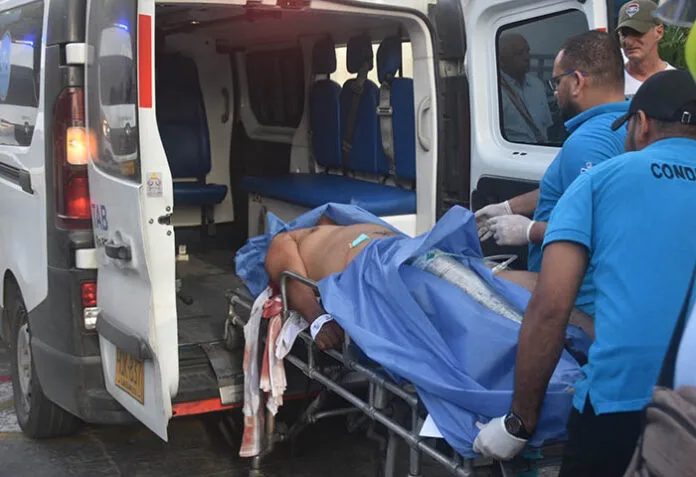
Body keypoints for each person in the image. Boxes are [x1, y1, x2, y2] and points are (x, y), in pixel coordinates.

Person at [473, 68, 696, 477]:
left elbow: (550, 310)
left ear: (642, 123)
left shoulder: (601, 181)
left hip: (621, 402)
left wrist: (519, 422)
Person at [476, 30, 628, 318]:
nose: (555, 91)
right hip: (601, 291)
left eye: (557, 81)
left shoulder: (588, 143)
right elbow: (573, 188)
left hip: (576, 296)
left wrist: (530, 231)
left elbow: (599, 231)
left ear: (577, 82)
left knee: (471, 279)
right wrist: (508, 207)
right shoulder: (631, 126)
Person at [498, 33, 554, 144]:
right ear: (502, 61)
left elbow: (547, 126)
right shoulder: (495, 91)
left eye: (527, 51)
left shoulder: (537, 85)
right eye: (519, 53)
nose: (527, 57)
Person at [617, 0, 676, 98]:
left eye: (637, 32)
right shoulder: (611, 82)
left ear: (659, 32)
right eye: (624, 34)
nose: (629, 42)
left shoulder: (677, 81)